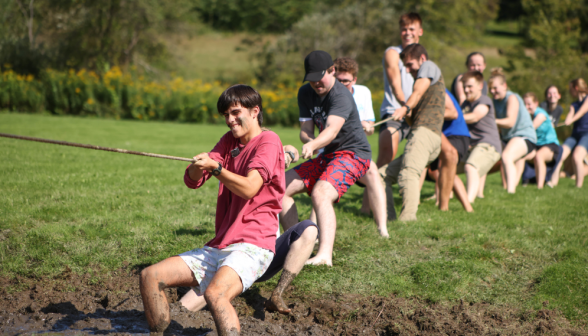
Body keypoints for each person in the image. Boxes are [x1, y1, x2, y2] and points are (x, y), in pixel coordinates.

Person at [139, 85, 287, 335]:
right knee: (149, 276)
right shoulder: (230, 141)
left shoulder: (269, 141)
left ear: (255, 111)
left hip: (254, 245)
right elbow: (192, 181)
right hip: (220, 245)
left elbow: (250, 187)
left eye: (235, 113)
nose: (230, 120)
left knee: (215, 293)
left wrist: (216, 169)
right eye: (225, 115)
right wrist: (200, 165)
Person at [280, 50, 372, 266]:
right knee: (280, 186)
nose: (315, 83)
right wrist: (309, 140)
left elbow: (331, 130)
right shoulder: (305, 93)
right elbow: (305, 130)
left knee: (321, 193)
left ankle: (324, 256)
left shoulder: (341, 96)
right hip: (328, 154)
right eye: (310, 79)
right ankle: (295, 244)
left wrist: (313, 144)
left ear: (332, 71)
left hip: (353, 154)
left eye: (319, 77)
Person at [379, 43, 445, 221]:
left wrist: (405, 106)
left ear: (422, 59)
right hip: (423, 134)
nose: (407, 71)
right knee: (380, 176)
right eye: (405, 66)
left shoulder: (428, 67)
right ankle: (389, 218)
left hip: (425, 134)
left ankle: (407, 220)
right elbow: (413, 110)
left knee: (408, 173)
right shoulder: (423, 80)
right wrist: (406, 113)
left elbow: (416, 92)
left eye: (410, 65)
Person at [333, 57, 388, 237]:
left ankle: (382, 229)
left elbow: (370, 126)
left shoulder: (363, 92)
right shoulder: (329, 94)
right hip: (334, 151)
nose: (341, 84)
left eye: (346, 81)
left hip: (356, 150)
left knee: (373, 173)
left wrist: (367, 125)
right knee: (326, 188)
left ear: (355, 80)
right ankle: (316, 232)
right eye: (338, 80)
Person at [377, 12, 422, 177]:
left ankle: (416, 200)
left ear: (420, 31)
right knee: (386, 156)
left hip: (417, 112)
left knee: (421, 158)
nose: (408, 32)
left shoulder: (423, 57)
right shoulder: (392, 53)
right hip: (395, 111)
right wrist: (406, 105)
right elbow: (395, 84)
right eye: (404, 29)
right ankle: (367, 202)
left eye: (412, 29)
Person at [489, 68, 537, 194]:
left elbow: (510, 122)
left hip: (524, 136)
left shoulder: (512, 98)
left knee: (507, 156)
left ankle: (511, 192)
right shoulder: (495, 100)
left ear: (504, 86)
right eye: (491, 89)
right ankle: (478, 193)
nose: (493, 91)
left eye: (495, 88)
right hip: (508, 138)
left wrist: (492, 121)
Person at [427, 89, 472, 212]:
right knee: (448, 171)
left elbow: (453, 113)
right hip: (443, 135)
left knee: (446, 164)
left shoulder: (437, 89)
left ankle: (444, 207)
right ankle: (468, 209)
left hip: (455, 135)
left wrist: (427, 115)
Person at [460, 71, 502, 203]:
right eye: (464, 87)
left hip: (489, 145)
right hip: (472, 147)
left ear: (480, 86)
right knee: (447, 166)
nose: (466, 90)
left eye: (470, 86)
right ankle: (442, 198)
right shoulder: (465, 105)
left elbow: (475, 116)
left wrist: (454, 117)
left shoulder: (484, 100)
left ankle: (468, 203)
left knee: (470, 167)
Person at [551, 78, 588, 188]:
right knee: (560, 154)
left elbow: (582, 111)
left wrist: (572, 120)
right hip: (575, 135)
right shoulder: (574, 104)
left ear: (575, 88)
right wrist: (568, 119)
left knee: (577, 157)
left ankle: (578, 186)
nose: (569, 91)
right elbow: (570, 114)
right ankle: (552, 183)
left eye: (570, 88)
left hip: (586, 134)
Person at [522, 92, 561, 189]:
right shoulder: (528, 116)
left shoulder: (540, 114)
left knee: (539, 156)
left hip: (550, 145)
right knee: (520, 155)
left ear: (536, 103)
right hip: (536, 145)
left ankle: (540, 187)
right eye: (525, 104)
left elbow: (530, 129)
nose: (527, 107)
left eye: (529, 104)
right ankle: (512, 187)